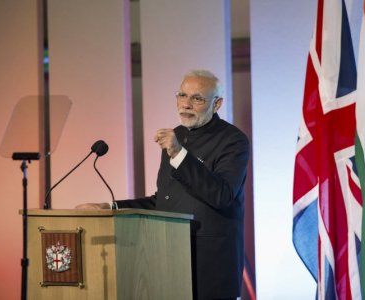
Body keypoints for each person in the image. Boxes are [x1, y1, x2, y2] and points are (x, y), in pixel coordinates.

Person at [77, 70, 249, 300]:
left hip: (210, 265)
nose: (186, 104)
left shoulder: (233, 140)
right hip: (168, 260)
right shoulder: (177, 136)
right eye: (182, 95)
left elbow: (222, 195)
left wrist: (178, 153)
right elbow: (163, 201)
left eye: (197, 98)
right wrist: (109, 207)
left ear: (216, 104)